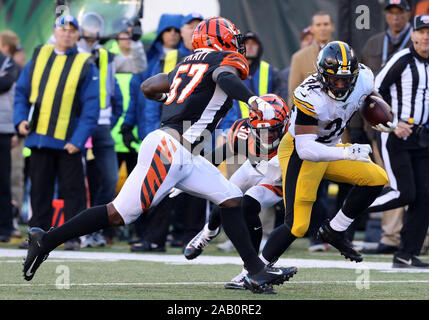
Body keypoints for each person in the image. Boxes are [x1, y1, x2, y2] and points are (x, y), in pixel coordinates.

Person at [22, 16, 297, 294]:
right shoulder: (221, 62)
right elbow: (223, 77)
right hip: (170, 150)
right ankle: (46, 240)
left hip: (184, 153)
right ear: (219, 39)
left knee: (231, 199)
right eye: (233, 39)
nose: (238, 46)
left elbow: (148, 87)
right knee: (118, 214)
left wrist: (172, 99)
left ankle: (255, 271)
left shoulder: (185, 63)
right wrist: (251, 100)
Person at [259, 41, 394, 267]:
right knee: (297, 226)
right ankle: (253, 271)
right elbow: (307, 149)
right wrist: (349, 153)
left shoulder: (364, 77)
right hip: (300, 153)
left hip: (330, 148)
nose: (340, 85)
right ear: (322, 75)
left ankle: (334, 230)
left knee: (377, 178)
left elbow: (371, 95)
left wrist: (380, 112)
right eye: (334, 79)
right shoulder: (309, 95)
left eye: (345, 79)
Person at [184, 94, 289, 290]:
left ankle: (249, 270)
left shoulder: (295, 135)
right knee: (225, 197)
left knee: (247, 205)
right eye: (261, 130)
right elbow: (219, 155)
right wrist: (186, 174)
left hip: (277, 180)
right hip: (254, 167)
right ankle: (208, 231)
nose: (267, 136)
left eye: (272, 131)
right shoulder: (243, 131)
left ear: (284, 124)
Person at [14, 15, 100, 250]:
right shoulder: (39, 55)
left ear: (78, 34)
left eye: (73, 30)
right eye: (63, 29)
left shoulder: (85, 62)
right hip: (40, 138)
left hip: (68, 141)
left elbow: (92, 107)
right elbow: (21, 92)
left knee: (74, 192)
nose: (68, 34)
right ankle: (35, 236)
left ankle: (73, 237)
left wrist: (78, 140)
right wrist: (21, 120)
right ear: (55, 31)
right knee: (39, 192)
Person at [129, 13, 207, 252]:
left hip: (196, 132)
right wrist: (147, 130)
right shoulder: (161, 60)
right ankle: (156, 237)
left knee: (195, 188)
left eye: (198, 27)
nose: (173, 34)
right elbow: (147, 98)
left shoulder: (207, 60)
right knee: (160, 185)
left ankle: (190, 236)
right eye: (171, 30)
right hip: (168, 130)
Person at [363, 15, 429, 269]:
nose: (425, 36)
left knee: (424, 197)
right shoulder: (401, 60)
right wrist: (394, 122)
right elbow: (372, 92)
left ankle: (406, 254)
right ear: (413, 35)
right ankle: (348, 212)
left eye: (428, 31)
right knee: (404, 192)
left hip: (423, 138)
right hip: (395, 136)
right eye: (421, 31)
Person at [358, 0, 413, 255]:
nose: (395, 18)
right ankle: (391, 237)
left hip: (416, 126)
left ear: (408, 14)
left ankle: (419, 238)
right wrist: (359, 125)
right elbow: (362, 88)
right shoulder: (372, 43)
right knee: (391, 182)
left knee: (419, 184)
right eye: (391, 13)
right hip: (380, 127)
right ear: (386, 15)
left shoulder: (420, 42)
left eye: (400, 13)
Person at [287, 11, 335, 108]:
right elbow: (293, 93)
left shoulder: (344, 53)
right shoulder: (299, 58)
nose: (322, 28)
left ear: (332, 27)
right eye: (318, 25)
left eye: (326, 24)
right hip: (310, 115)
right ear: (312, 29)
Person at [0, 41, 20, 242]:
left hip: (3, 130)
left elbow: (5, 84)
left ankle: (5, 227)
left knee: (3, 182)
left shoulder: (6, 61)